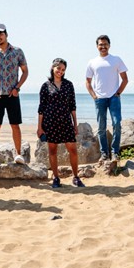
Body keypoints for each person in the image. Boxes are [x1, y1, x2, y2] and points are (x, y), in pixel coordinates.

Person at [0, 23, 28, 164]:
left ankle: (19, 154)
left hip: (12, 94)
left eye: (0, 34)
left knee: (15, 125)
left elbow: (25, 71)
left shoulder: (17, 51)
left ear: (6, 34)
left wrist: (17, 88)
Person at [38, 58, 85, 188]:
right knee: (52, 151)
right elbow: (41, 108)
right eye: (58, 68)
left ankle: (76, 177)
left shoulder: (69, 85)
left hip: (66, 122)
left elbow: (73, 107)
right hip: (50, 122)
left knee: (73, 150)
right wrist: (39, 127)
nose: (60, 71)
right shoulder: (45, 86)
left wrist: (75, 125)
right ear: (53, 68)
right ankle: (56, 178)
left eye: (63, 69)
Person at [85, 35, 128, 172]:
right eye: (100, 44)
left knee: (117, 124)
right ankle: (104, 154)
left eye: (105, 44)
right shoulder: (92, 62)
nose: (103, 46)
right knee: (101, 127)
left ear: (109, 45)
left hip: (114, 98)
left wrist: (118, 93)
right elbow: (87, 81)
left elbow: (125, 79)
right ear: (97, 46)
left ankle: (115, 152)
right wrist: (94, 96)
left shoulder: (116, 60)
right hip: (100, 99)